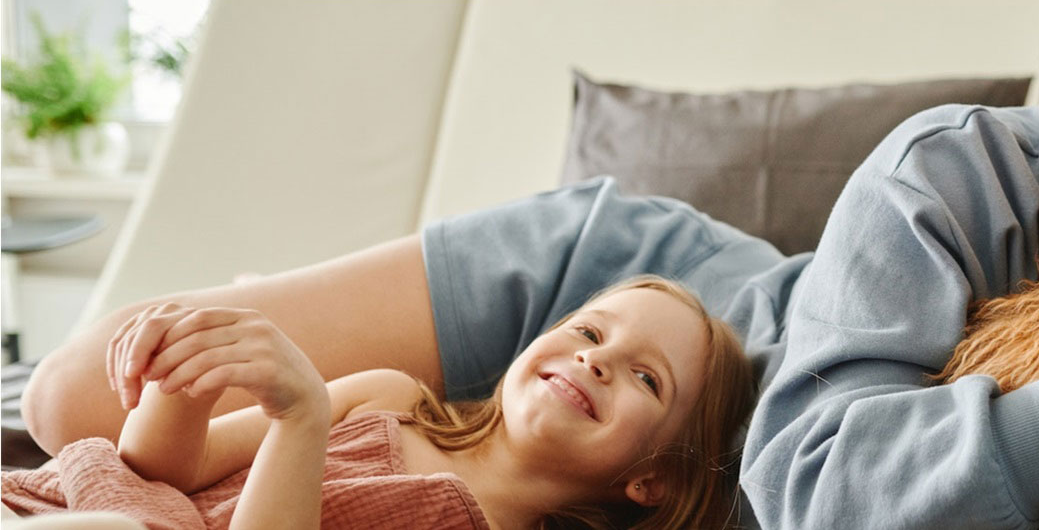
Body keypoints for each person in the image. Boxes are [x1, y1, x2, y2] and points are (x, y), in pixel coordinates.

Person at [25, 0, 1039, 528]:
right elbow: (815, 491)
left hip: (656, 415)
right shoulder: (957, 168)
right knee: (74, 401)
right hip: (625, 288)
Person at [6, 276, 755, 529]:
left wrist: (299, 416)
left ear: (654, 481)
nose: (595, 359)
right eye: (588, 330)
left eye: (645, 378)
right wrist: (183, 376)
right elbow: (165, 470)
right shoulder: (391, 399)